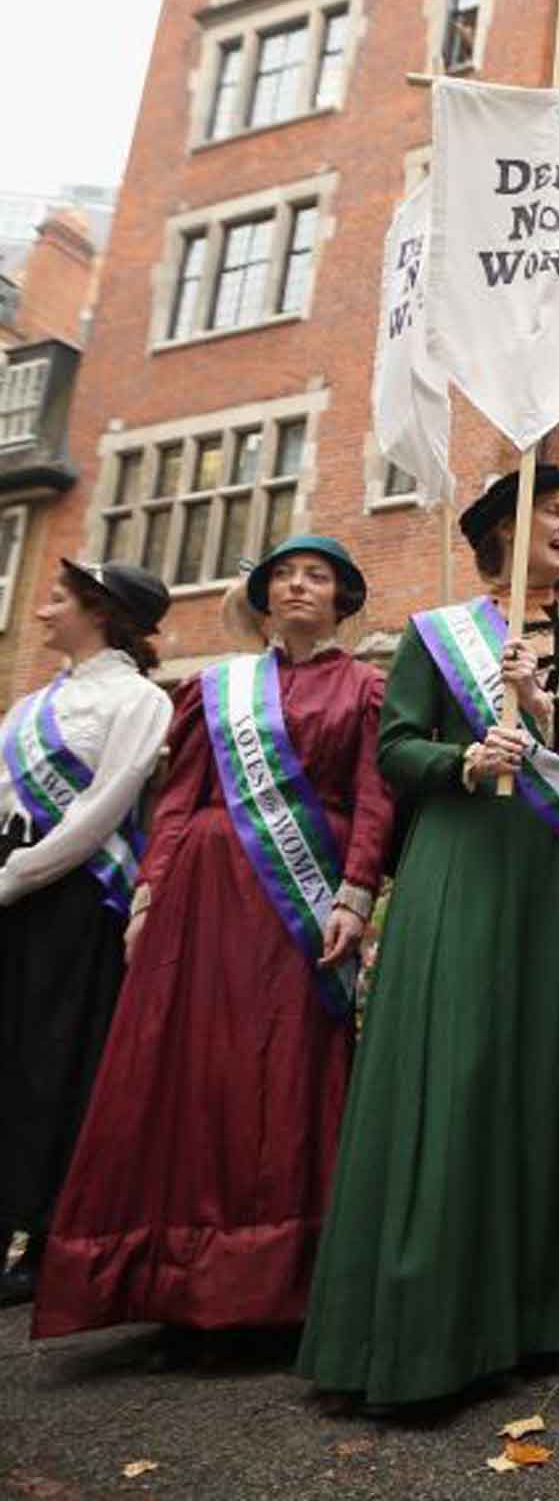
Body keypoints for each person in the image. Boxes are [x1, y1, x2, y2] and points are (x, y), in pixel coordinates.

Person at [297, 465, 559, 1408]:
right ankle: (427, 1327)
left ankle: (539, 1311)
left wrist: (541, 707)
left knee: (541, 1071)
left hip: (555, 875)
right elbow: (396, 749)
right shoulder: (436, 637)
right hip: (463, 860)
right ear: (499, 532)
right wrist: (465, 755)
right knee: (458, 1064)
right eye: (550, 513)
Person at [33, 539, 393, 1344]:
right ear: (264, 597)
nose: (300, 586)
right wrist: (149, 891)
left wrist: (357, 893)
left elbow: (374, 801)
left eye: (319, 576)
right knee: (189, 1072)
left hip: (298, 901)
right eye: (285, 576)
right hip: (198, 900)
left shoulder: (367, 689)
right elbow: (178, 799)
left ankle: (278, 1286)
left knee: (284, 1070)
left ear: (342, 598)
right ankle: (174, 1282)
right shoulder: (216, 688)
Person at [0, 560, 171, 1309]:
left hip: (75, 894)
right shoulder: (33, 704)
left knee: (56, 1061)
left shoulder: (138, 701)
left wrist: (17, 875)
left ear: (99, 613)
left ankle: (44, 1235)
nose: (41, 611)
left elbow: (103, 809)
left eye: (57, 598)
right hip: (13, 881)